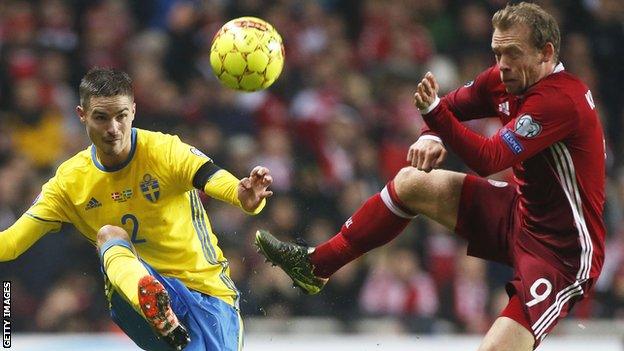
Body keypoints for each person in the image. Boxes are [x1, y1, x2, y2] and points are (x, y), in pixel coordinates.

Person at [255, 2, 605, 350]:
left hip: (562, 253)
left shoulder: (561, 100)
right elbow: (450, 107)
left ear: (546, 53)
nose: (502, 65)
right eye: (497, 52)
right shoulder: (504, 80)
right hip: (520, 213)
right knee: (411, 183)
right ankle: (316, 266)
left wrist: (435, 114)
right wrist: (430, 135)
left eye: (512, 53)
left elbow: (489, 156)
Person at [0, 68, 274, 351]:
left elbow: (211, 177)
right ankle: (150, 297)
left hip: (206, 294)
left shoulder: (164, 151)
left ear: (133, 110)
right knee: (109, 235)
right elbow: (10, 243)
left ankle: (157, 305)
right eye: (101, 117)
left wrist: (243, 196)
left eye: (121, 115)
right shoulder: (69, 183)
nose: (113, 128)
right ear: (82, 114)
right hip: (136, 296)